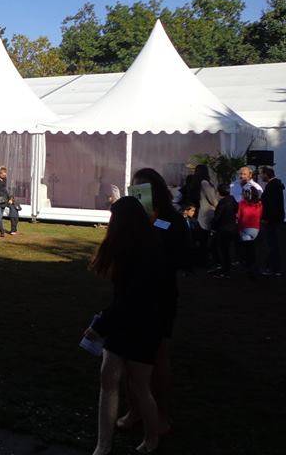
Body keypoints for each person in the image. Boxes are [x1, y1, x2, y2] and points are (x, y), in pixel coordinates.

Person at [84, 196, 163, 455]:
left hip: (139, 325)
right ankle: (103, 444)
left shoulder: (142, 254)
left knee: (138, 385)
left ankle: (151, 438)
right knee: (112, 380)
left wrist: (100, 326)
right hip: (132, 322)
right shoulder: (138, 247)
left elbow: (130, 299)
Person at [120, 167, 191, 435]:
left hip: (159, 295)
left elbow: (181, 257)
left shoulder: (171, 219)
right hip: (131, 292)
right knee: (128, 355)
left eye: (143, 189)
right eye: (135, 189)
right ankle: (135, 409)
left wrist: (154, 230)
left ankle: (161, 414)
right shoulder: (135, 218)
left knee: (157, 356)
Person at [259, 166, 285, 277]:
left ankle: (273, 268)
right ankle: (274, 267)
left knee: (271, 244)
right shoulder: (275, 185)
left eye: (261, 174)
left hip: (271, 220)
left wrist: (266, 218)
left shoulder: (272, 186)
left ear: (266, 174)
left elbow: (271, 206)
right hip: (275, 219)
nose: (260, 176)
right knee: (273, 243)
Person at [208, 183, 238, 278]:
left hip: (223, 229)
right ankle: (226, 269)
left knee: (223, 250)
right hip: (232, 228)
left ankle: (225, 271)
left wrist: (213, 228)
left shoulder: (222, 202)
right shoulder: (232, 200)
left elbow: (217, 217)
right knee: (226, 250)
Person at [237, 185, 262, 279]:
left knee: (247, 251)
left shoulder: (242, 204)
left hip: (244, 229)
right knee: (252, 250)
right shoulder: (259, 204)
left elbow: (238, 217)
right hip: (256, 229)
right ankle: (253, 268)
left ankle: (250, 269)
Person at [0, 166, 20, 236]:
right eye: (3, 175)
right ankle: (2, 232)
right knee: (0, 216)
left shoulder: (4, 179)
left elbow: (5, 189)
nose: (5, 176)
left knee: (0, 216)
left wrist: (10, 197)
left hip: (3, 199)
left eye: (5, 175)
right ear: (0, 173)